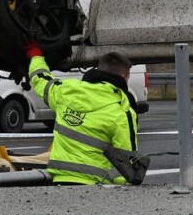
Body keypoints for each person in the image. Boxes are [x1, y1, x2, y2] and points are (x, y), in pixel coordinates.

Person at [25, 43, 145, 185]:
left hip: (60, 180)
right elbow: (127, 163)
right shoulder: (122, 110)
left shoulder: (66, 91)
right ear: (123, 76)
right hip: (95, 186)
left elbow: (40, 78)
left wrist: (35, 55)